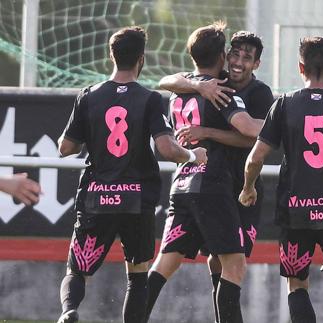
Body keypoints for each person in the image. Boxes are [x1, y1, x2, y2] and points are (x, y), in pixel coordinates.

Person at [56, 26, 207, 323]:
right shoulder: (149, 99)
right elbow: (166, 147)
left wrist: (92, 133)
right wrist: (193, 155)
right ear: (142, 58)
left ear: (111, 56)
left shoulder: (88, 96)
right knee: (137, 276)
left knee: (77, 269)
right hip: (136, 199)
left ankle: (69, 311)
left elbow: (66, 148)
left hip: (97, 196)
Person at [239, 37, 323, 323]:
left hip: (295, 212)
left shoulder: (285, 104)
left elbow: (255, 158)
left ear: (301, 67)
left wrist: (248, 187)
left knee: (297, 283)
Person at [145, 22, 264, 323]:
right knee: (234, 266)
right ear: (223, 56)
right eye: (232, 54)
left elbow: (166, 82)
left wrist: (199, 98)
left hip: (183, 183)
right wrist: (289, 119)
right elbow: (251, 130)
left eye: (245, 58)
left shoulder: (180, 92)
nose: (236, 62)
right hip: (214, 185)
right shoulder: (219, 90)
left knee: (165, 264)